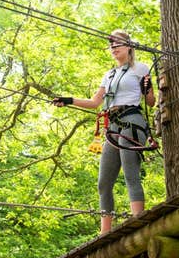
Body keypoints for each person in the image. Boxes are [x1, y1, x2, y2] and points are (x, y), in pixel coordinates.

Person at [52, 30, 156, 235]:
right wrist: (68, 100)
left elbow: (150, 103)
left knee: (130, 174)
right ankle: (105, 232)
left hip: (132, 121)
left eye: (117, 44)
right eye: (111, 45)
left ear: (129, 46)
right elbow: (95, 102)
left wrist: (148, 88)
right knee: (104, 182)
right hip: (112, 125)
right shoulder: (108, 75)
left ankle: (138, 223)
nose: (114, 48)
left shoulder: (140, 68)